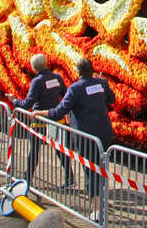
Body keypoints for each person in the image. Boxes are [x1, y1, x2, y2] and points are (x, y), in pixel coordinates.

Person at [36, 58, 115, 212]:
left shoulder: (75, 88)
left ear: (78, 71)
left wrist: (40, 112)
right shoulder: (102, 83)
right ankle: (100, 201)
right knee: (100, 167)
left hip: (86, 136)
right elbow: (112, 99)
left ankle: (97, 210)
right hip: (104, 133)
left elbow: (58, 111)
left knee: (89, 170)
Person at [10, 54, 74, 191]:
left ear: (33, 67)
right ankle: (70, 177)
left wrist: (14, 100)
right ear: (46, 63)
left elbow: (27, 103)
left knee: (34, 151)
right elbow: (66, 95)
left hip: (40, 122)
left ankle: (27, 179)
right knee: (60, 149)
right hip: (56, 120)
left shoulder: (37, 81)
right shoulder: (57, 77)